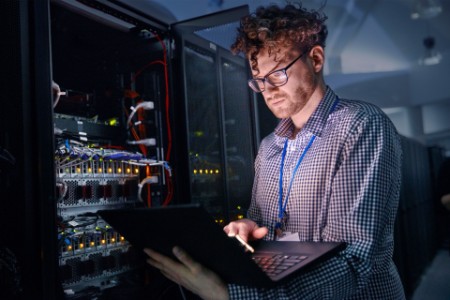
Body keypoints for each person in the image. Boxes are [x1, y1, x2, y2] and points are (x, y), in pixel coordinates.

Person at [144, 2, 405, 299]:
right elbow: (263, 226)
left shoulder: (359, 126)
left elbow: (353, 261)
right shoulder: (270, 147)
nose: (268, 90)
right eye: (259, 81)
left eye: (278, 74)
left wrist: (229, 295)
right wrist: (248, 228)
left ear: (315, 59)